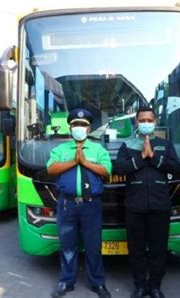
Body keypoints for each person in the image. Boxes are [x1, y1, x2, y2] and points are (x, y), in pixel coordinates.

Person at [114, 107, 180, 298]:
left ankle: (155, 287)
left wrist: (154, 156)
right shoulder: (127, 145)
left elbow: (177, 169)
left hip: (160, 205)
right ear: (136, 123)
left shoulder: (165, 145)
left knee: (158, 250)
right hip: (134, 207)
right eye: (142, 120)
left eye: (149, 120)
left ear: (155, 122)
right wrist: (140, 157)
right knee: (136, 250)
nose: (146, 123)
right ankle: (139, 286)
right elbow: (118, 169)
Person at [47, 108, 112, 298]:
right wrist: (73, 162)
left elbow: (106, 170)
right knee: (67, 245)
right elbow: (51, 168)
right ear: (70, 127)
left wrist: (84, 162)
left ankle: (97, 283)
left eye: (83, 125)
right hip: (67, 205)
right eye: (75, 124)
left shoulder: (98, 149)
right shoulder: (60, 149)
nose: (79, 128)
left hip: (91, 205)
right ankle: (66, 282)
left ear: (89, 128)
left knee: (93, 245)